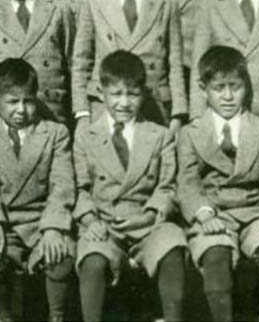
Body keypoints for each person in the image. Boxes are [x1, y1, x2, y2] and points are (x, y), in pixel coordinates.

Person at [178, 46, 259, 322]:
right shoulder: (190, 133)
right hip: (215, 214)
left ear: (246, 87)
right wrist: (203, 213)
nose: (228, 96)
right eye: (219, 88)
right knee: (215, 256)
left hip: (255, 212)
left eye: (235, 87)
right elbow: (187, 183)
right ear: (204, 89)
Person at [74, 50, 186, 322]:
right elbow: (80, 189)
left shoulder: (159, 135)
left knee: (172, 247)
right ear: (101, 93)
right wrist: (90, 220)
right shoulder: (86, 137)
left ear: (144, 95)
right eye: (116, 94)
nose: (124, 103)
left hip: (149, 224)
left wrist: (150, 213)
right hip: (106, 224)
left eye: (133, 94)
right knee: (92, 259)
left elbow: (167, 185)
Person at [0, 58, 76, 322]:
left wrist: (54, 227)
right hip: (7, 224)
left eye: (28, 101)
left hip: (43, 221)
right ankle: (3, 318)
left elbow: (62, 185)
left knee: (60, 255)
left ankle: (57, 317)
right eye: (12, 102)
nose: (21, 109)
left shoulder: (55, 133)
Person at [72, 0, 187, 130]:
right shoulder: (93, 0)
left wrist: (178, 114)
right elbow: (81, 61)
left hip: (154, 106)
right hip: (104, 104)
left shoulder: (166, 2)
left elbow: (175, 63)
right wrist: (82, 112)